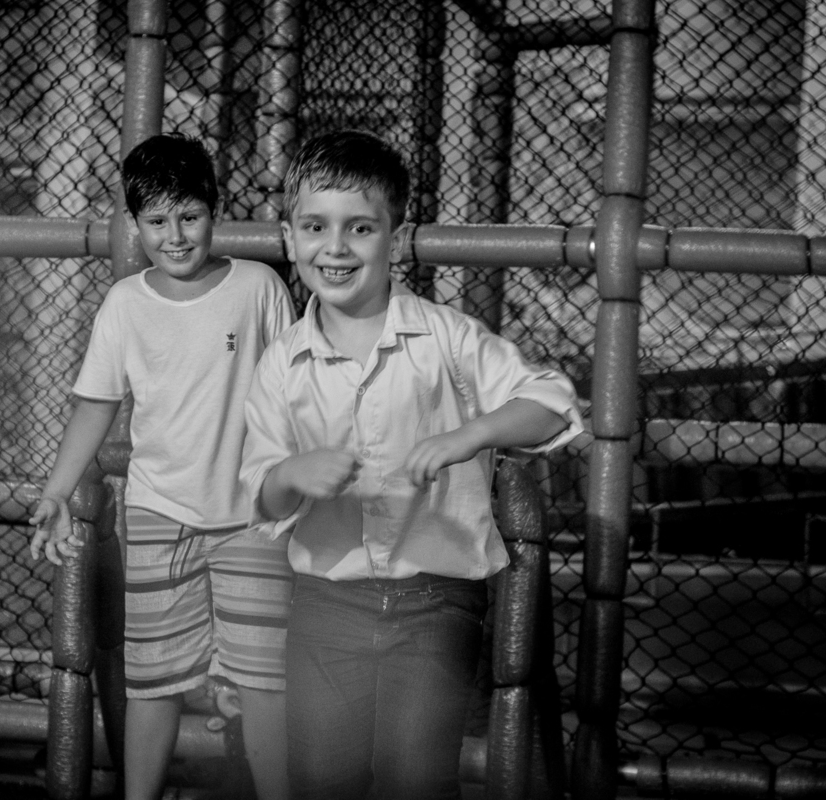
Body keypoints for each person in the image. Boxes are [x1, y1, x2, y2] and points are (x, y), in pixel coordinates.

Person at [241, 130, 584, 800]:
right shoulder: (282, 362)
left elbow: (552, 402)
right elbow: (262, 492)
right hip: (325, 604)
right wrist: (291, 475)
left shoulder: (446, 338)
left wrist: (472, 434)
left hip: (436, 604)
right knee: (321, 780)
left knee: (416, 780)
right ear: (288, 238)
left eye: (360, 227)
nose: (335, 247)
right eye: (315, 226)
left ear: (396, 241)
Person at [29, 133, 296, 800]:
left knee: (265, 685)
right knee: (153, 683)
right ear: (134, 223)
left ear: (215, 210)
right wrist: (56, 491)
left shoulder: (259, 287)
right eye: (156, 221)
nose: (174, 236)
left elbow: (297, 394)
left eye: (189, 216)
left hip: (254, 520)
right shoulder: (125, 303)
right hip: (158, 515)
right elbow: (96, 403)